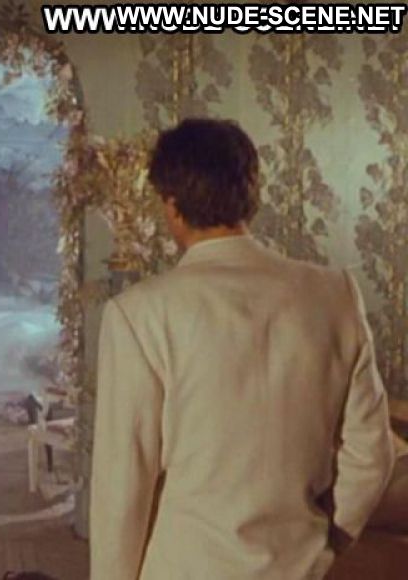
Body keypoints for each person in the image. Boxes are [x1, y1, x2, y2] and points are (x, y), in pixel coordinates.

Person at [90, 118, 395, 579]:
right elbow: (372, 453)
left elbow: (122, 485)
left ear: (171, 206)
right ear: (250, 193)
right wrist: (332, 539)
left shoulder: (139, 314)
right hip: (299, 566)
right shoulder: (335, 294)